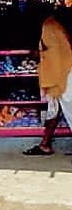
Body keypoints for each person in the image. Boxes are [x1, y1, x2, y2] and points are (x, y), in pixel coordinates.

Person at [23, 16, 72, 156]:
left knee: (67, 107)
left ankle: (45, 144)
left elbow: (53, 51)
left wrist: (37, 54)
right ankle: (45, 144)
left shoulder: (49, 26)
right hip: (58, 72)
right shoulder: (54, 25)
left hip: (62, 72)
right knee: (53, 110)